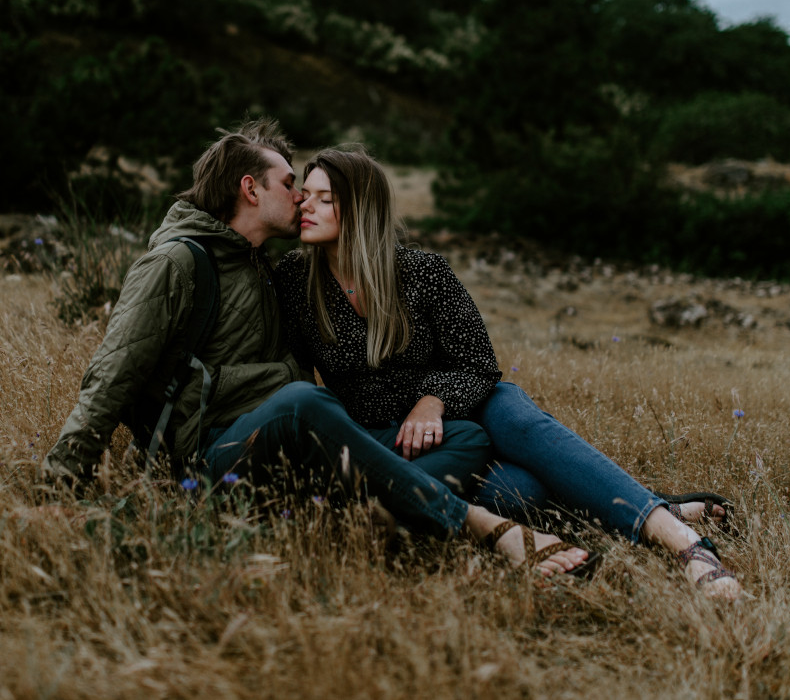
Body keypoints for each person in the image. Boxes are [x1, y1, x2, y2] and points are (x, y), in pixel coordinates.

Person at [42, 119, 595, 577]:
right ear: (249, 189)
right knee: (305, 401)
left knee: (468, 434)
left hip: (292, 449)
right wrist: (61, 487)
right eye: (290, 184)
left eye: (313, 193)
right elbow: (110, 375)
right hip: (212, 454)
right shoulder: (177, 263)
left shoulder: (270, 269)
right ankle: (489, 530)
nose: (302, 197)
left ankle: (364, 517)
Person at [273, 145, 740, 598]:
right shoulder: (295, 282)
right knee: (523, 491)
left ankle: (688, 546)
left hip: (469, 410)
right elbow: (297, 380)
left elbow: (479, 365)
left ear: (359, 211)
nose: (303, 205)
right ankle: (649, 501)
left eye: (323, 199)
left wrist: (432, 401)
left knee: (513, 412)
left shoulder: (423, 273)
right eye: (305, 193)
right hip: (391, 441)